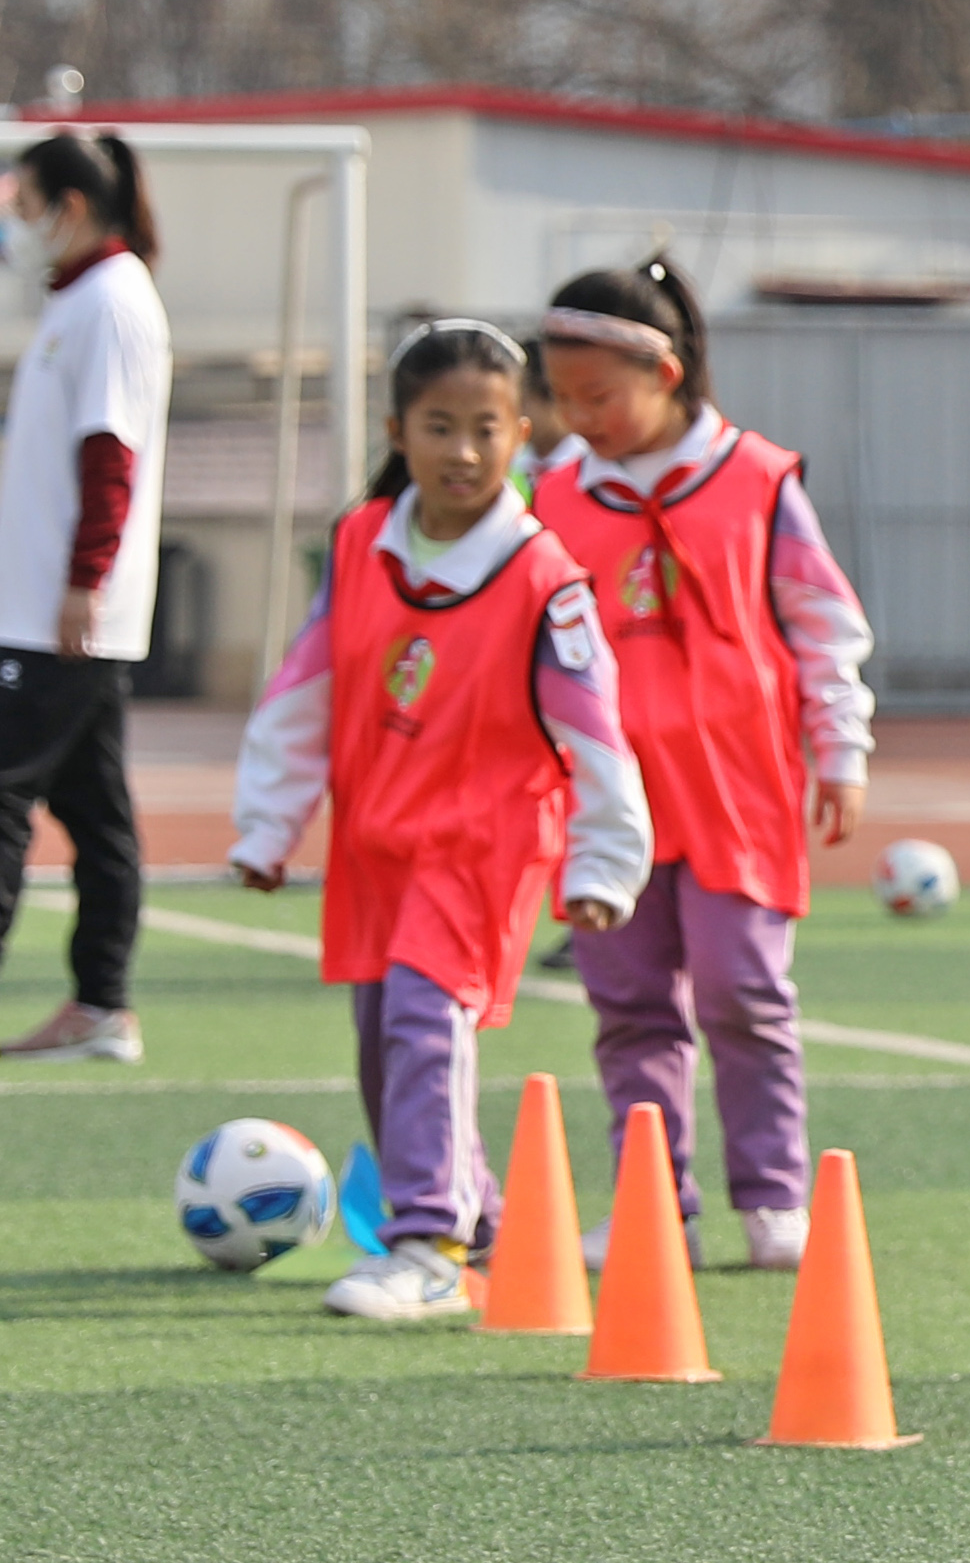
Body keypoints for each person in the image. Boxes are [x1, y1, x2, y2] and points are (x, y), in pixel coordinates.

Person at [228, 323, 651, 1321]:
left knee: (424, 1023)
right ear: (397, 430)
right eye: (440, 426)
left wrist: (602, 863)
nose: (464, 451)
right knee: (384, 1043)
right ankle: (491, 1225)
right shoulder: (357, 544)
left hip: (481, 848)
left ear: (522, 436)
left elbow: (593, 728)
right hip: (375, 845)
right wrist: (266, 827)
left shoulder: (544, 579)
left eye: (487, 428)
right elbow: (305, 690)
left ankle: (426, 1244)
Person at [526, 259, 874, 1272]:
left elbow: (822, 622)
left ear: (666, 372)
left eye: (601, 396)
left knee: (742, 994)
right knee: (628, 1005)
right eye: (565, 398)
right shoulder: (551, 496)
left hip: (738, 790)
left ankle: (772, 1198)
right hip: (606, 799)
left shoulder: (758, 481)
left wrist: (838, 748)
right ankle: (653, 1204)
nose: (581, 418)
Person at [0, 129, 173, 1064]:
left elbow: (111, 458)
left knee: (3, 794)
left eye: (22, 210)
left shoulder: (112, 302)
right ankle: (102, 1001)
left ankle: (103, 999)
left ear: (67, 208)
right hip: (46, 610)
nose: (14, 229)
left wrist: (82, 582)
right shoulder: (80, 300)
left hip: (58, 616)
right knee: (96, 808)